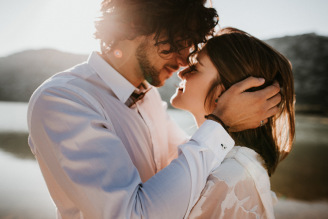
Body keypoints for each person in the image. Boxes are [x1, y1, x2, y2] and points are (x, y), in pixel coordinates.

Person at [27, 1, 281, 219]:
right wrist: (220, 123)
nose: (185, 59)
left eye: (191, 45)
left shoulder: (148, 96)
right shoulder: (64, 99)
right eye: (181, 39)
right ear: (137, 23)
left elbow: (189, 163)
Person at [171, 27, 295, 219]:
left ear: (224, 94)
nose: (181, 73)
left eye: (194, 68)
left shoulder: (229, 178)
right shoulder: (210, 157)